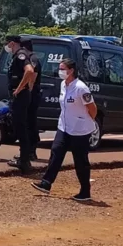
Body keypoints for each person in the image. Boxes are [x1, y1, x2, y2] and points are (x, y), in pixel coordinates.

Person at [31, 58, 98, 202]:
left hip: (80, 130)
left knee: (80, 161)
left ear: (71, 70)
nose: (60, 71)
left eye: (63, 69)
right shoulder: (63, 85)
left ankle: (85, 191)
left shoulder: (81, 88)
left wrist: (86, 121)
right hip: (64, 126)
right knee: (56, 152)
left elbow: (92, 109)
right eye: (60, 68)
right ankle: (46, 183)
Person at [5, 35, 36, 173]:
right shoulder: (19, 55)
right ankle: (24, 158)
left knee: (20, 127)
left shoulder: (21, 54)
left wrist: (19, 89)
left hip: (20, 96)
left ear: (12, 43)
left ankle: (24, 161)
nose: (6, 47)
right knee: (19, 126)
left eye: (7, 44)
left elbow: (30, 71)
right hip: (21, 95)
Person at [21, 39, 42, 161]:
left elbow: (32, 76)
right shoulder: (31, 57)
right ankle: (28, 151)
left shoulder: (32, 58)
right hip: (31, 93)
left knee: (30, 122)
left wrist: (27, 91)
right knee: (28, 121)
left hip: (32, 94)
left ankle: (31, 151)